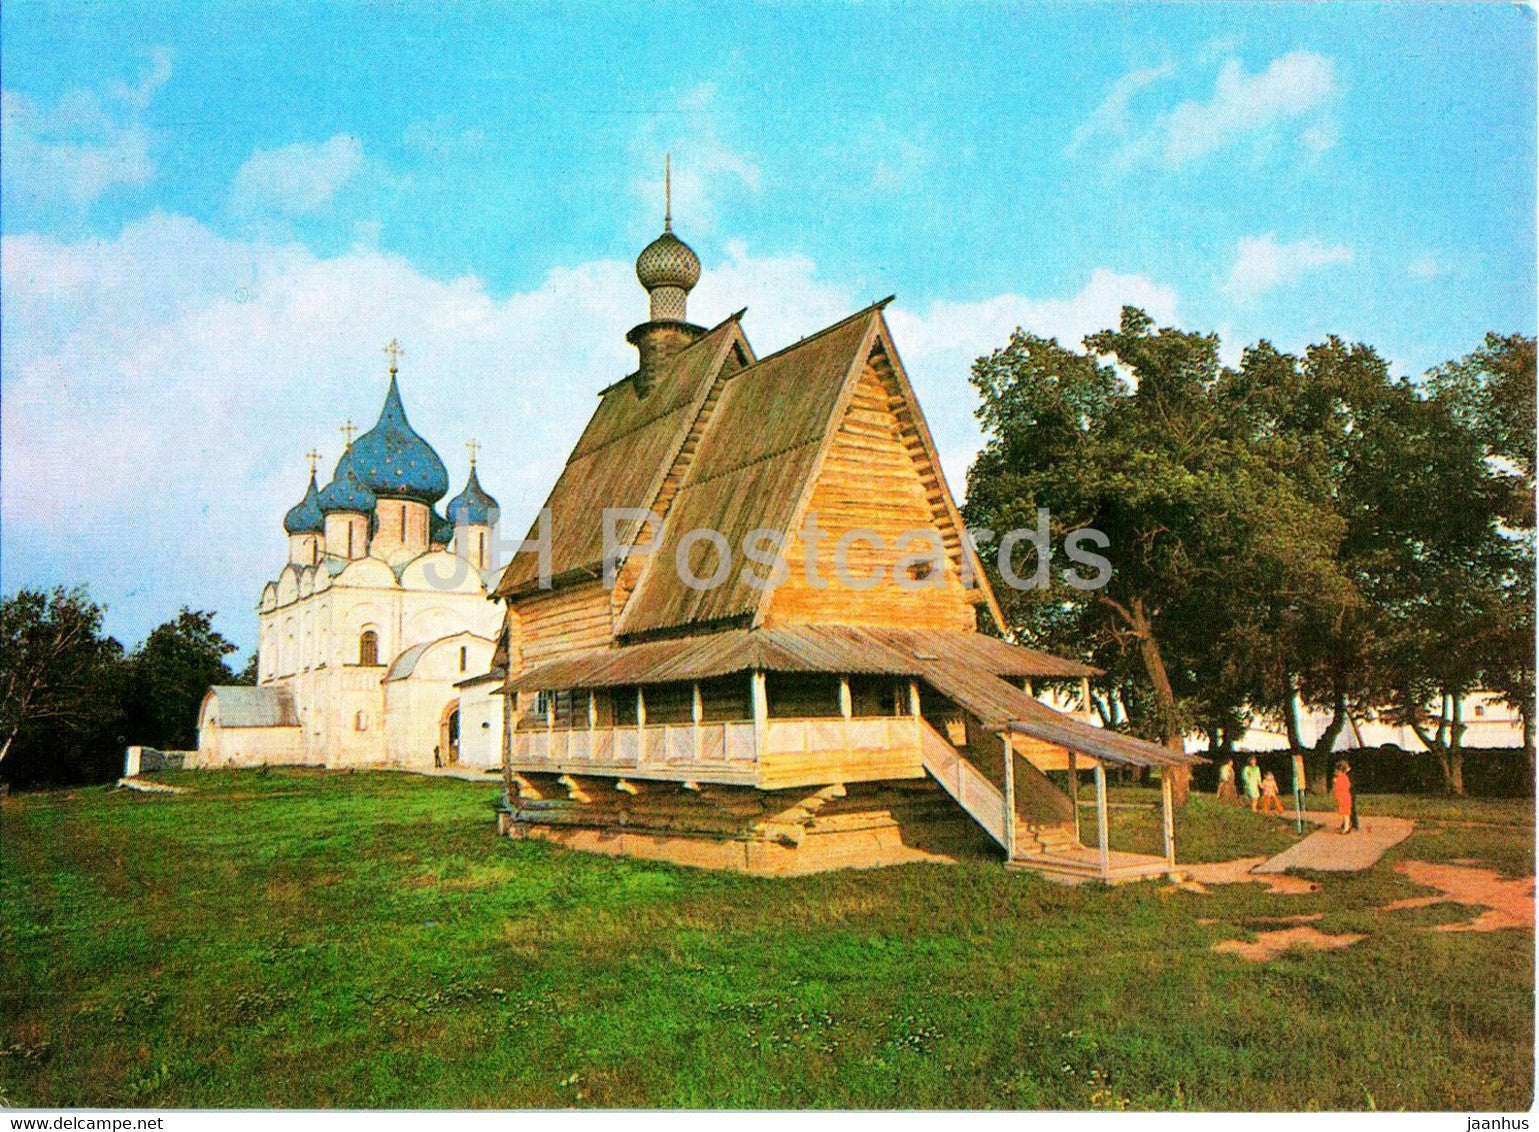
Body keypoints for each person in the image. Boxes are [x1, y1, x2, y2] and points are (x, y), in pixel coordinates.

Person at [1333, 759, 1354, 834]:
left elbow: (1340, 788)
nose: (1336, 772)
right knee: (1346, 813)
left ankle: (1346, 828)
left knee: (1346, 814)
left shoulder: (1341, 778)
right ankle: (1346, 826)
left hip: (1343, 798)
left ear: (1340, 771)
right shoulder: (1344, 777)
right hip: (1344, 797)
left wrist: (1336, 782)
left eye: (1337, 771)